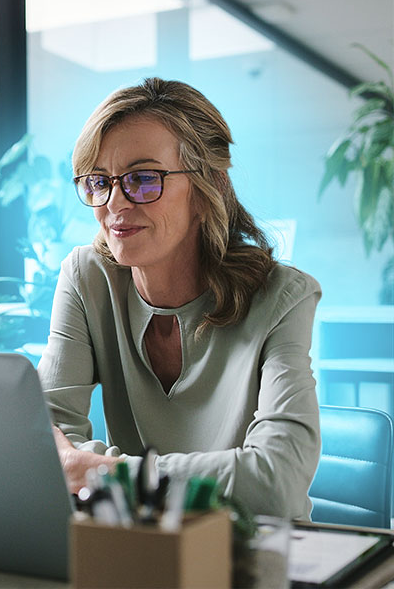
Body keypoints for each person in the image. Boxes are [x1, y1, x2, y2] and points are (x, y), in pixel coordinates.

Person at [38, 77, 321, 520]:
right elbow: (42, 443)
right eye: (99, 181)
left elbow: (276, 483)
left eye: (144, 179)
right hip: (136, 551)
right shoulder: (87, 277)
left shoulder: (283, 297)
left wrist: (103, 471)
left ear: (207, 187)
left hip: (252, 559)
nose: (115, 203)